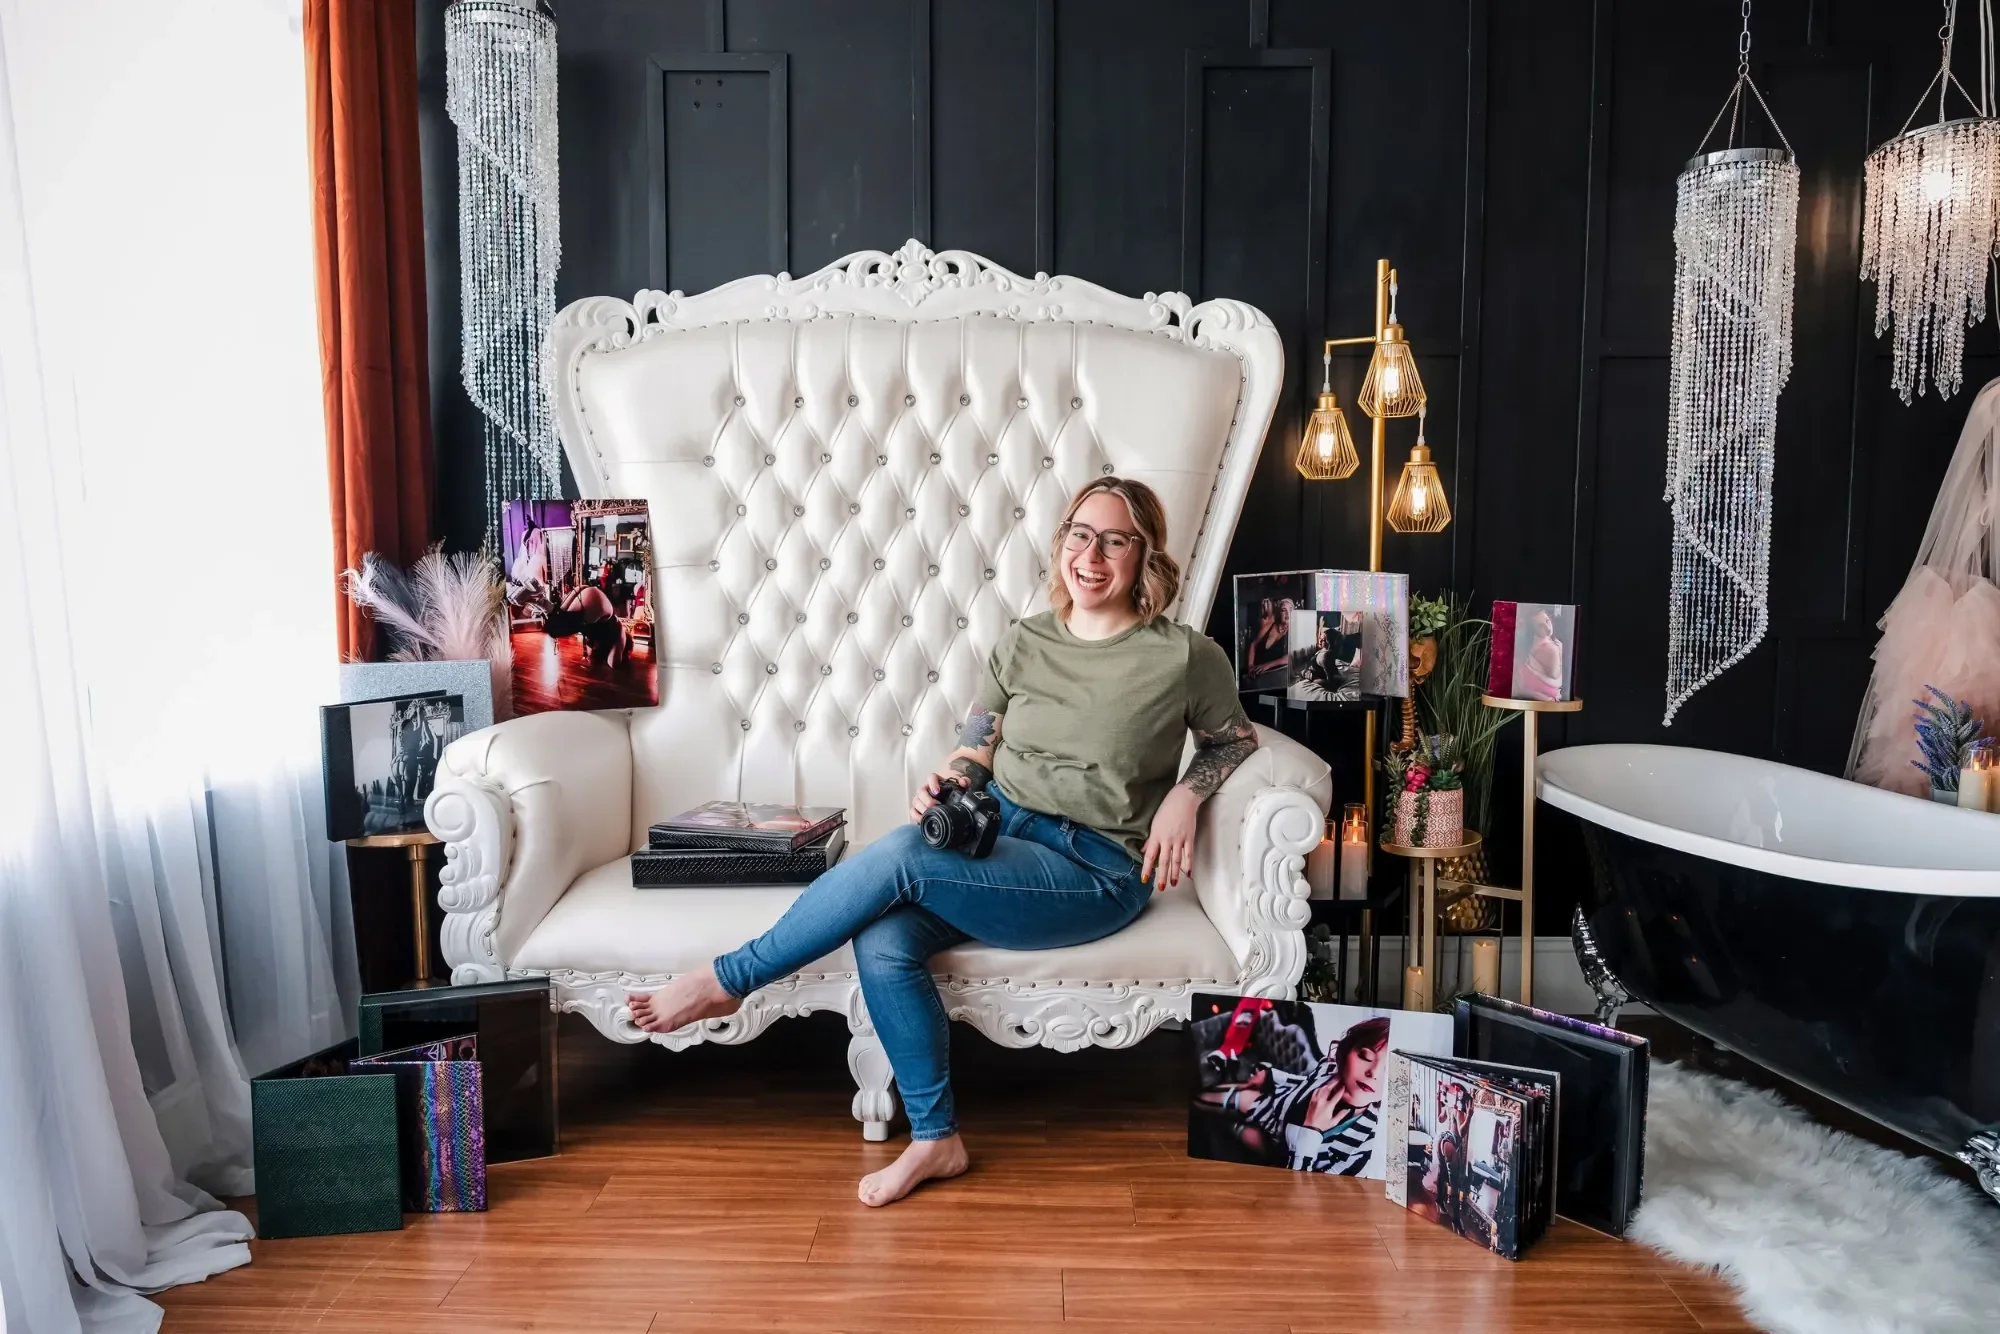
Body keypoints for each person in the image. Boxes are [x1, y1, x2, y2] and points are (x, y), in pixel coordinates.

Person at [626, 476, 1260, 1206]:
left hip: (1093, 869)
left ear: (1145, 555)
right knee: (884, 938)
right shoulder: (1025, 641)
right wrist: (949, 781)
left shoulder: (1182, 656)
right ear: (1062, 543)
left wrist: (1185, 794)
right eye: (1081, 535)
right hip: (1001, 839)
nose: (1092, 556)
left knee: (902, 856)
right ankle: (937, 1139)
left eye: (1116, 541)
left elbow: (1234, 740)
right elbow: (976, 747)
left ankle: (725, 982)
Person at [1197, 1015, 1391, 1174]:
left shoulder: (1366, 1144)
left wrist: (1312, 1131)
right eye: (1365, 1056)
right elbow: (1305, 1082)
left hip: (1281, 1152)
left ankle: (1234, 1125)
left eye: (1388, 1070)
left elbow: (1306, 1190)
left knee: (1237, 1131)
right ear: (1347, 1051)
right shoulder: (1329, 1068)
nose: (1373, 1073)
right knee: (1206, 1098)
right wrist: (1272, 1075)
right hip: (1271, 1106)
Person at [542, 583, 630, 668]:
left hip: (589, 594)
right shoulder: (618, 633)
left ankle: (541, 601)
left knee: (554, 623)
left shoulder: (597, 641)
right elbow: (613, 663)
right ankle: (541, 601)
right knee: (557, 628)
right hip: (596, 602)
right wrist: (623, 641)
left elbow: (591, 654)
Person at [1518, 607, 1565, 701]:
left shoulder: (1530, 644)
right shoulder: (1550, 649)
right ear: (1533, 630)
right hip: (1545, 701)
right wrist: (1560, 652)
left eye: (1547, 621)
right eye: (1540, 626)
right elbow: (1555, 675)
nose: (1548, 628)